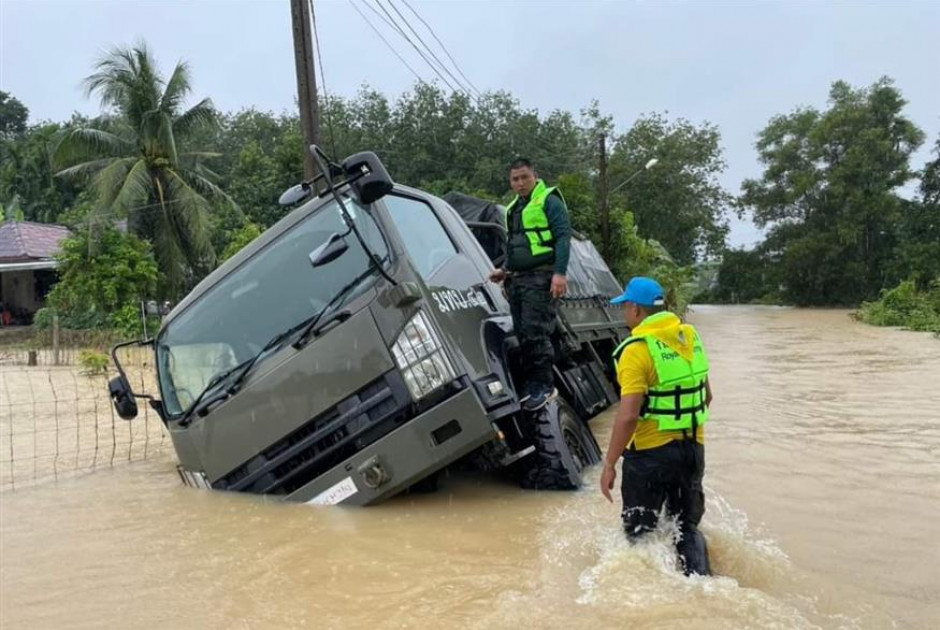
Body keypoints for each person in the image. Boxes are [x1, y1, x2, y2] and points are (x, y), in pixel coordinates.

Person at [600, 277, 712, 576]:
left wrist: (610, 463)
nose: (624, 312)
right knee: (686, 528)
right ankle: (703, 586)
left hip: (650, 457)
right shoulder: (688, 337)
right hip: (693, 450)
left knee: (639, 535)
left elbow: (628, 416)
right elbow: (707, 396)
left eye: (625, 306)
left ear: (636, 310)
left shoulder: (636, 349)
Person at [488, 158, 572, 411]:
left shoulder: (549, 201)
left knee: (536, 333)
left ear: (535, 175)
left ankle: (544, 386)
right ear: (510, 182)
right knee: (523, 334)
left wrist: (559, 273)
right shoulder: (514, 207)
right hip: (519, 279)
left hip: (542, 277)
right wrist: (504, 271)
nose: (520, 183)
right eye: (515, 179)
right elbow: (516, 246)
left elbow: (563, 237)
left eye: (525, 177)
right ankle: (532, 385)